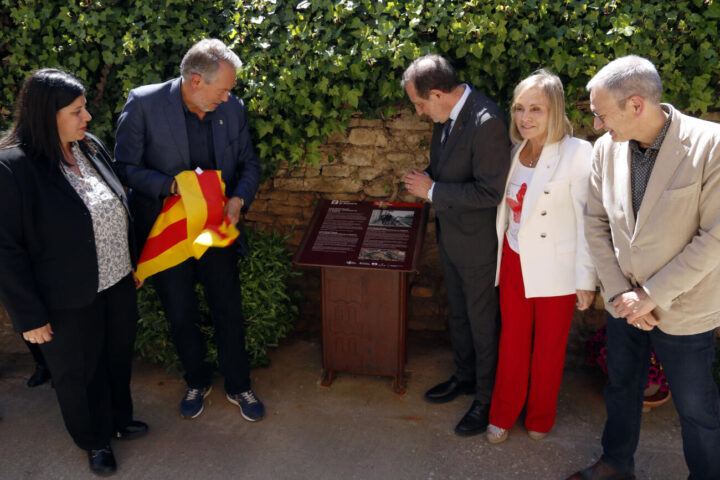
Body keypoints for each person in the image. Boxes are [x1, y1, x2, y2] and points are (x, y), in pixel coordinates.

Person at [568, 55, 720, 480]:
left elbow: (715, 238)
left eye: (601, 114)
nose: (596, 124)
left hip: (684, 308)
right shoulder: (605, 149)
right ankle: (616, 464)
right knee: (621, 389)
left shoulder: (711, 145)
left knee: (697, 409)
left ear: (636, 105)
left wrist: (650, 295)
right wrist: (621, 293)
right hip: (624, 303)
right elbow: (596, 223)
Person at [0, 69, 147, 476]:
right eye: (76, 111)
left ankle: (118, 419)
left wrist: (131, 261)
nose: (87, 118)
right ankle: (94, 439)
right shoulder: (13, 167)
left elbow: (119, 205)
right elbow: (6, 250)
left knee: (117, 357)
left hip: (117, 280)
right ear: (47, 115)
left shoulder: (89, 146)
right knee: (79, 372)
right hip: (64, 296)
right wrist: (29, 316)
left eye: (85, 109)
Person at [115, 39, 264, 421]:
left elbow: (249, 164)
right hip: (168, 231)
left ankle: (239, 384)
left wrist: (239, 200)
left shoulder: (232, 109)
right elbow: (124, 167)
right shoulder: (143, 104)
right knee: (180, 313)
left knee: (228, 308)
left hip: (216, 228)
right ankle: (196, 380)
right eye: (223, 90)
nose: (228, 98)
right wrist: (171, 186)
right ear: (196, 81)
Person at [402, 54, 511, 436]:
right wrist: (428, 178)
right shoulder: (446, 116)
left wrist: (432, 190)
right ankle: (465, 378)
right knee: (460, 316)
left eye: (419, 104)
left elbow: (490, 192)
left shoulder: (488, 121)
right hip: (451, 237)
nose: (419, 112)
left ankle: (486, 400)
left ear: (437, 94)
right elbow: (448, 167)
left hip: (478, 245)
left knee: (482, 324)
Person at [486, 70, 596, 444]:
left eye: (536, 109)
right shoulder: (515, 152)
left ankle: (540, 416)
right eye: (519, 108)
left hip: (557, 266)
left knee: (549, 348)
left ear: (555, 110)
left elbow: (589, 221)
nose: (525, 117)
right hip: (514, 258)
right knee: (512, 343)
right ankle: (503, 413)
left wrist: (586, 279)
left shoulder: (578, 153)